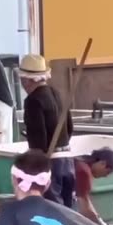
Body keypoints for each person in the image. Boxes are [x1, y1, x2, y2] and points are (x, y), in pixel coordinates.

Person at [17, 54, 76, 207]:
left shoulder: (33, 101)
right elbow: (69, 127)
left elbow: (38, 140)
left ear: (26, 80)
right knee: (69, 210)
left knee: (53, 210)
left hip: (50, 163)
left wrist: (35, 166)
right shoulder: (57, 94)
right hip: (67, 161)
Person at [72, 147, 113, 225]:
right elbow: (84, 206)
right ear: (103, 163)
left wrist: (99, 220)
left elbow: (85, 199)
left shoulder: (80, 163)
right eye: (108, 172)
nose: (106, 176)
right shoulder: (84, 172)